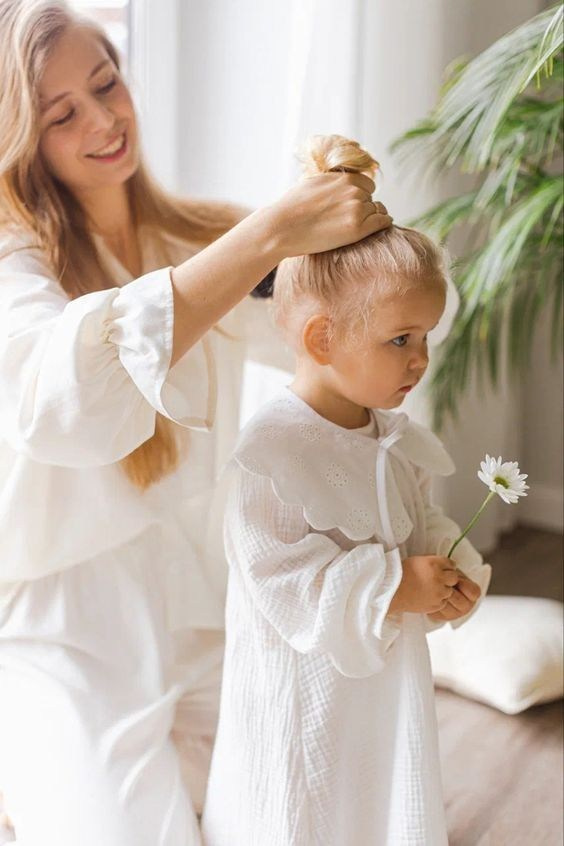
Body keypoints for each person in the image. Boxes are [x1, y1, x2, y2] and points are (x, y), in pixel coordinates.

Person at [0, 2, 393, 843]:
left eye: (107, 84)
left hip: (196, 589)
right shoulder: (13, 255)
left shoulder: (191, 237)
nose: (104, 120)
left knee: (301, 805)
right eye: (62, 114)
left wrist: (341, 228)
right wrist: (267, 234)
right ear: (22, 137)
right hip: (63, 620)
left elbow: (329, 329)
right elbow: (60, 402)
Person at [200, 135, 492, 846]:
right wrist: (393, 586)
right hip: (302, 697)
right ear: (324, 338)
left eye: (426, 337)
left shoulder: (392, 435)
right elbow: (280, 578)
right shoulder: (271, 454)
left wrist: (449, 570)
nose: (421, 359)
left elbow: (415, 518)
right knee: (309, 804)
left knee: (376, 794)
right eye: (400, 339)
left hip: (381, 689)